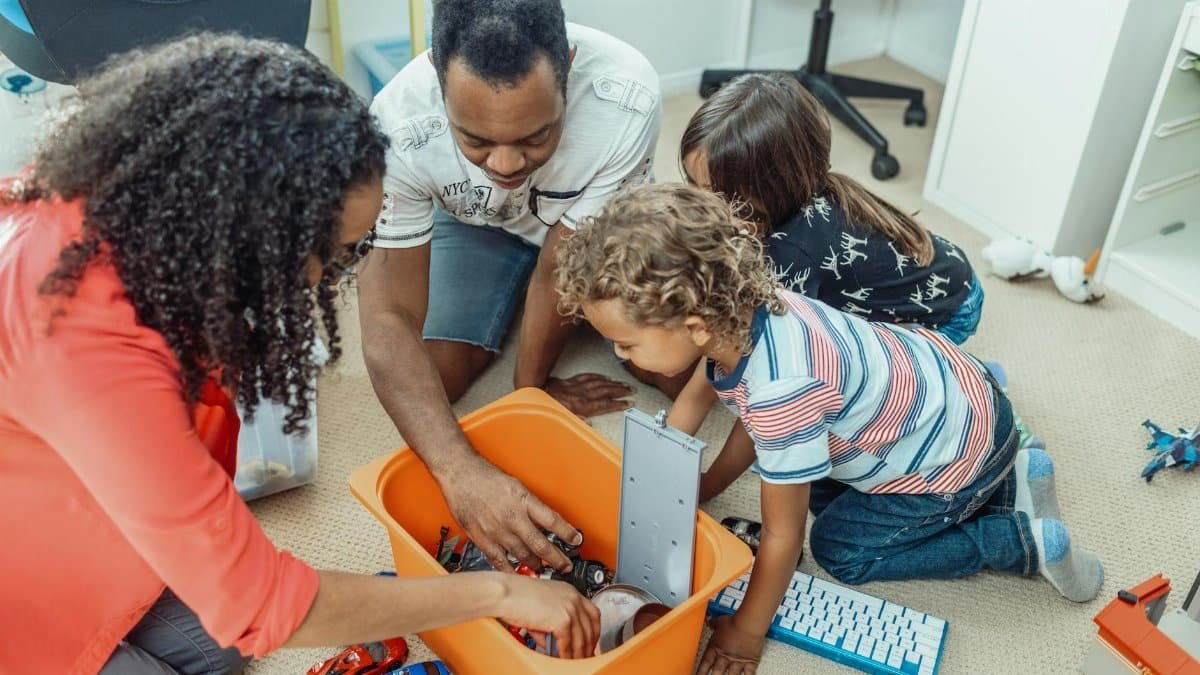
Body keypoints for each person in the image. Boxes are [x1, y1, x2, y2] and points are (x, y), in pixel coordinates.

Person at [0, 34, 598, 675]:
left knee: (220, 648)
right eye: (333, 254)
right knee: (249, 621)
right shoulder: (87, 345)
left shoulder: (130, 202)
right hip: (22, 580)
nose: (326, 282)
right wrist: (501, 593)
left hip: (68, 507)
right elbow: (262, 607)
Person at [555, 184, 1104, 674]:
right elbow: (712, 395)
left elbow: (781, 534)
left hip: (952, 458)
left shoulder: (780, 393)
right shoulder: (748, 313)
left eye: (625, 343)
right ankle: (1017, 477)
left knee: (837, 545)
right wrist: (690, 481)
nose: (618, 354)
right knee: (806, 483)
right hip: (960, 396)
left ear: (694, 327)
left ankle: (1015, 540)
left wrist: (746, 633)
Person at [359, 0, 660, 572]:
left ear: (568, 69)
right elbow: (385, 316)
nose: (503, 164)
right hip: (472, 228)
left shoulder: (628, 98)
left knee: (667, 363)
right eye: (473, 139)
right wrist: (460, 472)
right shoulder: (396, 124)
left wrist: (530, 393)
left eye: (535, 137)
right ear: (436, 76)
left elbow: (560, 262)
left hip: (583, 233)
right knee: (431, 383)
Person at [661, 73, 984, 437]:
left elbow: (770, 360)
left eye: (716, 194)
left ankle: (962, 384)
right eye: (691, 184)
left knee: (849, 399)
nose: (698, 205)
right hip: (948, 277)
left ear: (771, 187)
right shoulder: (796, 198)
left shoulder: (790, 254)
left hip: (947, 312)